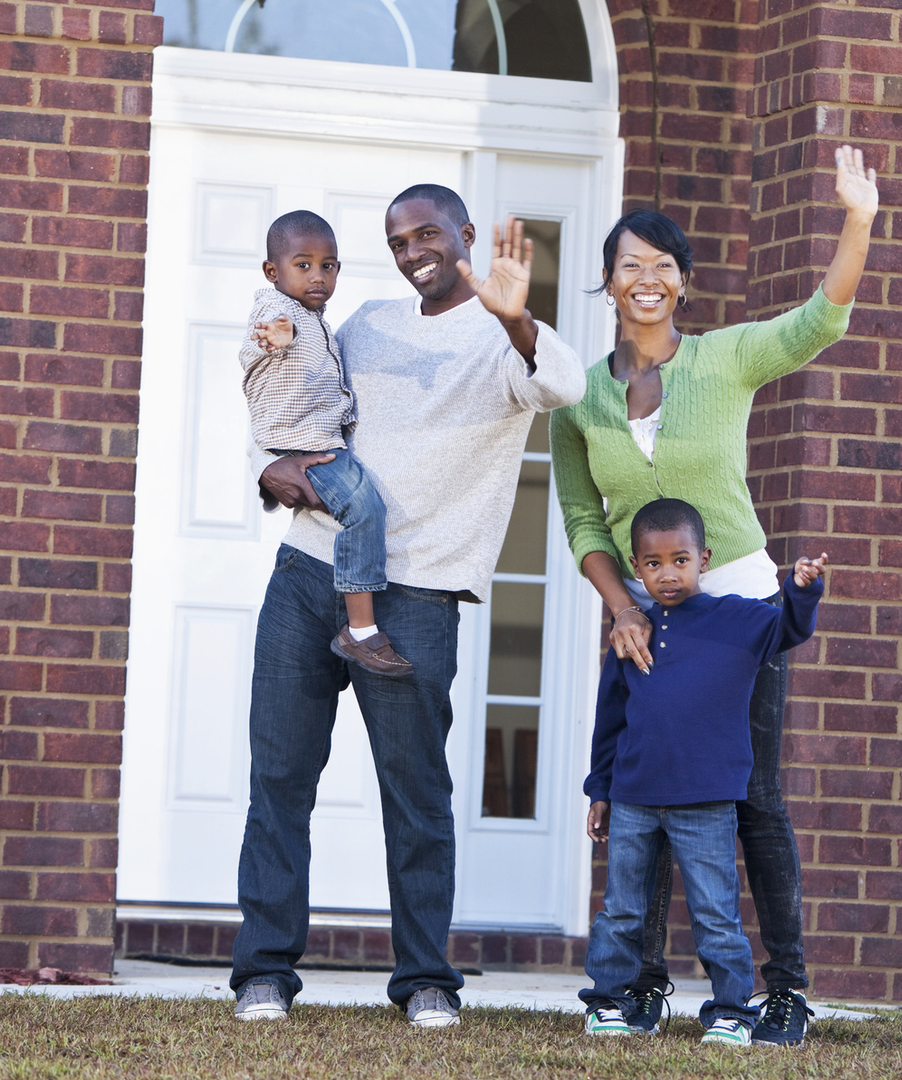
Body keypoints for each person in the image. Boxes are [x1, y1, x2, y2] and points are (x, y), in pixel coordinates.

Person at [230, 185, 585, 1027]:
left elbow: (563, 384)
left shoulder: (503, 340)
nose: (413, 250)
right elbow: (297, 405)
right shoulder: (364, 324)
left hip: (417, 595)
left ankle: (426, 977)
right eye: (398, 239)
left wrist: (517, 319)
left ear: (464, 234)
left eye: (428, 233)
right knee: (280, 778)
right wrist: (272, 474)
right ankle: (264, 973)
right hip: (310, 576)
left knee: (416, 793)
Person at [549, 144, 877, 1047]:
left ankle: (785, 992)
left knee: (754, 798)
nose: (645, 280)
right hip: (643, 614)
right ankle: (644, 987)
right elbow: (583, 519)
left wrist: (858, 219)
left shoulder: (725, 359)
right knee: (644, 790)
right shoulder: (578, 399)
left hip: (734, 607)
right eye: (630, 266)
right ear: (608, 284)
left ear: (682, 284)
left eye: (662, 267)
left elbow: (821, 321)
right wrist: (621, 608)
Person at [580, 498, 826, 1046]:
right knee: (622, 909)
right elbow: (610, 720)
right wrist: (600, 789)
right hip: (636, 798)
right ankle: (607, 1002)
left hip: (708, 801)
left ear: (704, 559)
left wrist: (803, 589)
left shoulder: (736, 619)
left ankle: (731, 1011)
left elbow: (789, 628)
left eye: (680, 559)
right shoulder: (633, 630)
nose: (667, 573)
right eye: (652, 563)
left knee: (717, 914)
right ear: (636, 566)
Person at [240, 210, 410, 678]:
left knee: (360, 506)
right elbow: (264, 336)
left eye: (329, 265)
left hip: (314, 443)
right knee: (365, 508)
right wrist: (276, 335)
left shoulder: (320, 320)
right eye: (304, 265)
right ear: (273, 272)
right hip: (304, 446)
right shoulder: (279, 310)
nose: (318, 276)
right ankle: (360, 631)